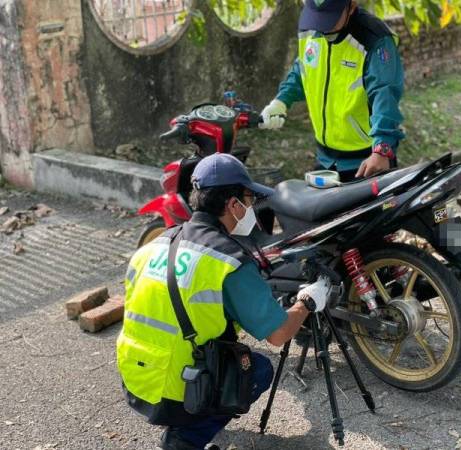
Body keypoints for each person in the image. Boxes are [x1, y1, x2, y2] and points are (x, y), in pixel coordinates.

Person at [116, 153, 331, 450]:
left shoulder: (153, 245)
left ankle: (182, 417)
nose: (252, 207)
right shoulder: (226, 261)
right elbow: (279, 334)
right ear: (232, 205)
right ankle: (184, 440)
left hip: (136, 379)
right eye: (248, 199)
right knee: (257, 369)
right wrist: (308, 300)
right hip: (176, 389)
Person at [260, 0, 405, 182]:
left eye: (330, 18)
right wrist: (280, 102)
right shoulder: (311, 29)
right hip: (326, 161)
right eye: (317, 17)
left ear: (351, 6)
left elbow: (385, 95)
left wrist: (382, 149)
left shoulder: (374, 40)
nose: (321, 26)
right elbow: (304, 69)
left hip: (367, 162)